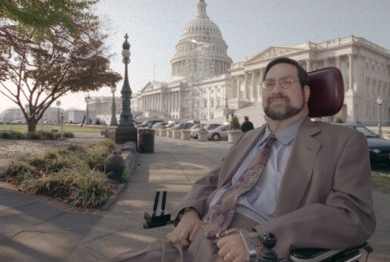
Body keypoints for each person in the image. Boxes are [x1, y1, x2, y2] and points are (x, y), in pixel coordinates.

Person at [109, 57, 376, 262]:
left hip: (250, 249)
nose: (276, 90)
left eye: (287, 83)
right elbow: (213, 179)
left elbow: (353, 216)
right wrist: (191, 210)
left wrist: (261, 238)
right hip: (190, 241)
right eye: (269, 84)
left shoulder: (343, 141)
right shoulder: (249, 138)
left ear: (306, 93)